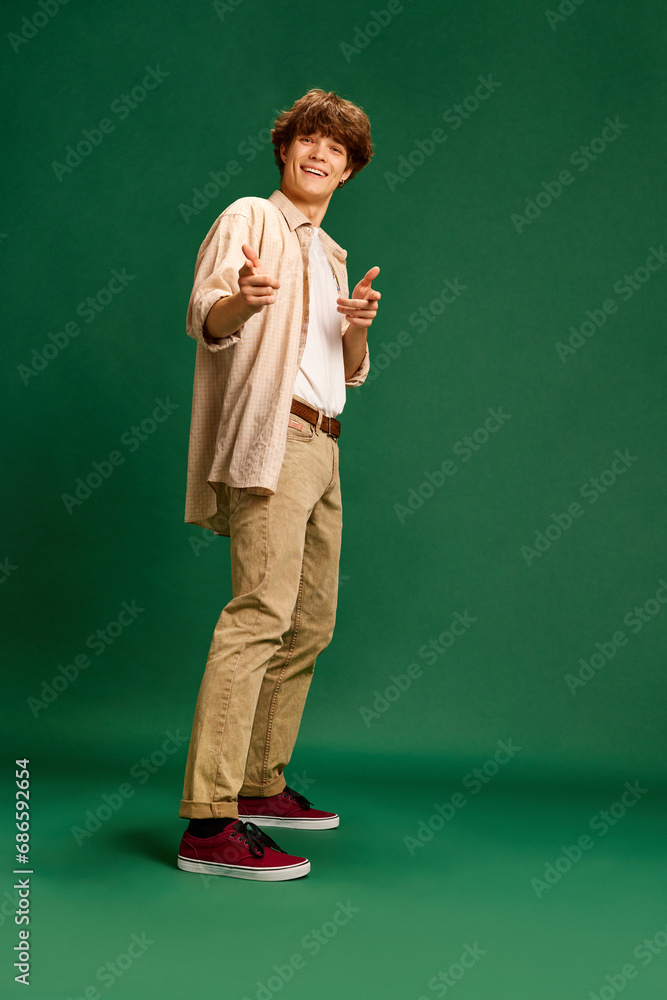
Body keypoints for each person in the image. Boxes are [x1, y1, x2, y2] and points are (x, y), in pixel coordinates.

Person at [177, 89, 380, 881]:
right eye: (308, 139)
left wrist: (356, 326)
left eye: (336, 148)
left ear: (350, 169)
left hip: (325, 444)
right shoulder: (248, 219)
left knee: (311, 622)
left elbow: (347, 371)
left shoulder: (330, 254)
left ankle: (259, 784)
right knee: (259, 614)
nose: (319, 154)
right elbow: (206, 316)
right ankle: (208, 822)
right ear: (285, 150)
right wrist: (237, 302)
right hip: (277, 436)